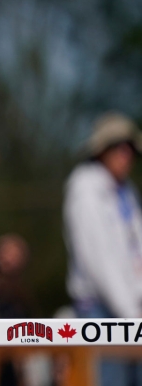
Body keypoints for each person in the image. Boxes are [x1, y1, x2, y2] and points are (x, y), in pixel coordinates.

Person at [64, 111, 142, 386]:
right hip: (100, 313)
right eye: (118, 148)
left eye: (129, 148)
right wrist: (131, 313)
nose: (126, 155)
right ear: (101, 150)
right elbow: (100, 262)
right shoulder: (85, 190)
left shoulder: (125, 192)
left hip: (132, 311)